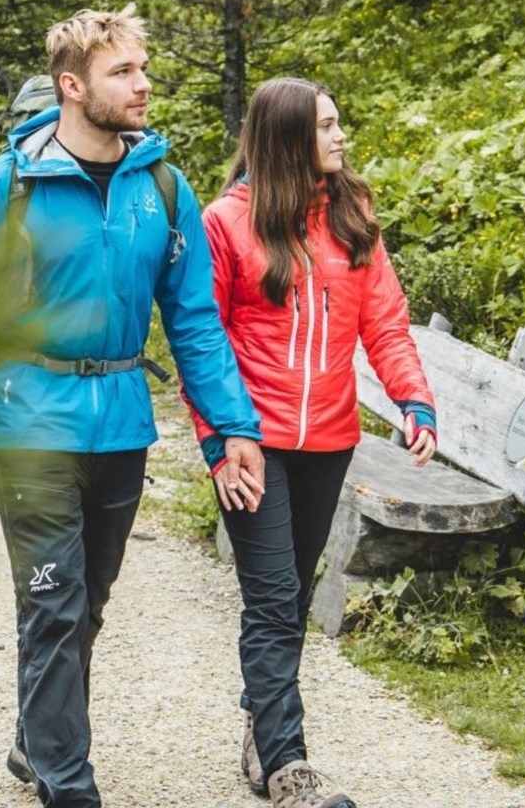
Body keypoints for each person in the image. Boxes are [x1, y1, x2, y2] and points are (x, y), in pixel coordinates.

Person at [0, 5, 267, 808]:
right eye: (123, 72)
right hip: (31, 422)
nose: (143, 85)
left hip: (122, 424)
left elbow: (195, 322)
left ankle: (35, 739)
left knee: (86, 604)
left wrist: (232, 430)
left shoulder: (163, 186)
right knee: (54, 600)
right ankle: (68, 784)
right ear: (72, 86)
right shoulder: (8, 186)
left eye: (144, 70)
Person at [186, 77, 438, 808]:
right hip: (251, 442)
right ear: (288, 137)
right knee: (272, 599)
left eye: (338, 122)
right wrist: (218, 441)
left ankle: (261, 732)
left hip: (329, 439)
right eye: (325, 126)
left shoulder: (352, 216)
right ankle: (289, 766)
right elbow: (203, 342)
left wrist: (414, 399)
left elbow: (384, 321)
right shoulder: (227, 223)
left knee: (291, 595)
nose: (340, 136)